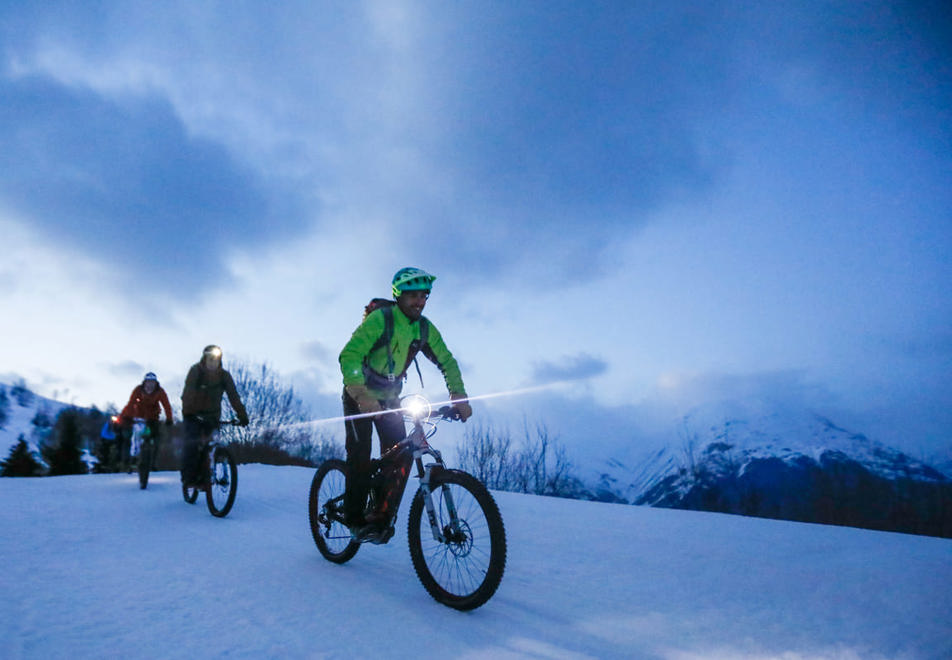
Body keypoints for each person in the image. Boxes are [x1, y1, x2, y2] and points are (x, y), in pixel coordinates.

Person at [339, 267, 472, 540]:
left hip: (390, 399)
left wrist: (458, 395)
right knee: (360, 457)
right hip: (359, 396)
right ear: (398, 295)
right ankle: (354, 520)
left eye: (424, 296)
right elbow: (349, 355)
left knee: (399, 456)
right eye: (413, 296)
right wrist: (361, 395)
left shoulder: (424, 328)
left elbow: (447, 360)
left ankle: (379, 513)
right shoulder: (381, 320)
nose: (419, 302)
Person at [180, 345, 249, 486]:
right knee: (192, 444)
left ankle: (212, 472)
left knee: (213, 442)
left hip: (212, 416)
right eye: (210, 359)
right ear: (205, 359)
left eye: (216, 360)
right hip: (193, 414)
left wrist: (242, 415)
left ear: (220, 361)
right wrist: (189, 411)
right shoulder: (196, 371)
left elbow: (233, 396)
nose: (213, 362)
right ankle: (189, 478)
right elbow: (188, 393)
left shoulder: (224, 376)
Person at [116, 372, 174, 471]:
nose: (150, 385)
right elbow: (131, 403)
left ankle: (153, 463)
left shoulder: (160, 392)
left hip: (153, 417)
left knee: (156, 439)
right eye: (148, 382)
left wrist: (169, 419)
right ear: (144, 383)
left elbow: (166, 405)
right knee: (135, 436)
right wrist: (126, 417)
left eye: (152, 383)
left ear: (156, 383)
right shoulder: (138, 390)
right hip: (138, 416)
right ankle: (132, 459)